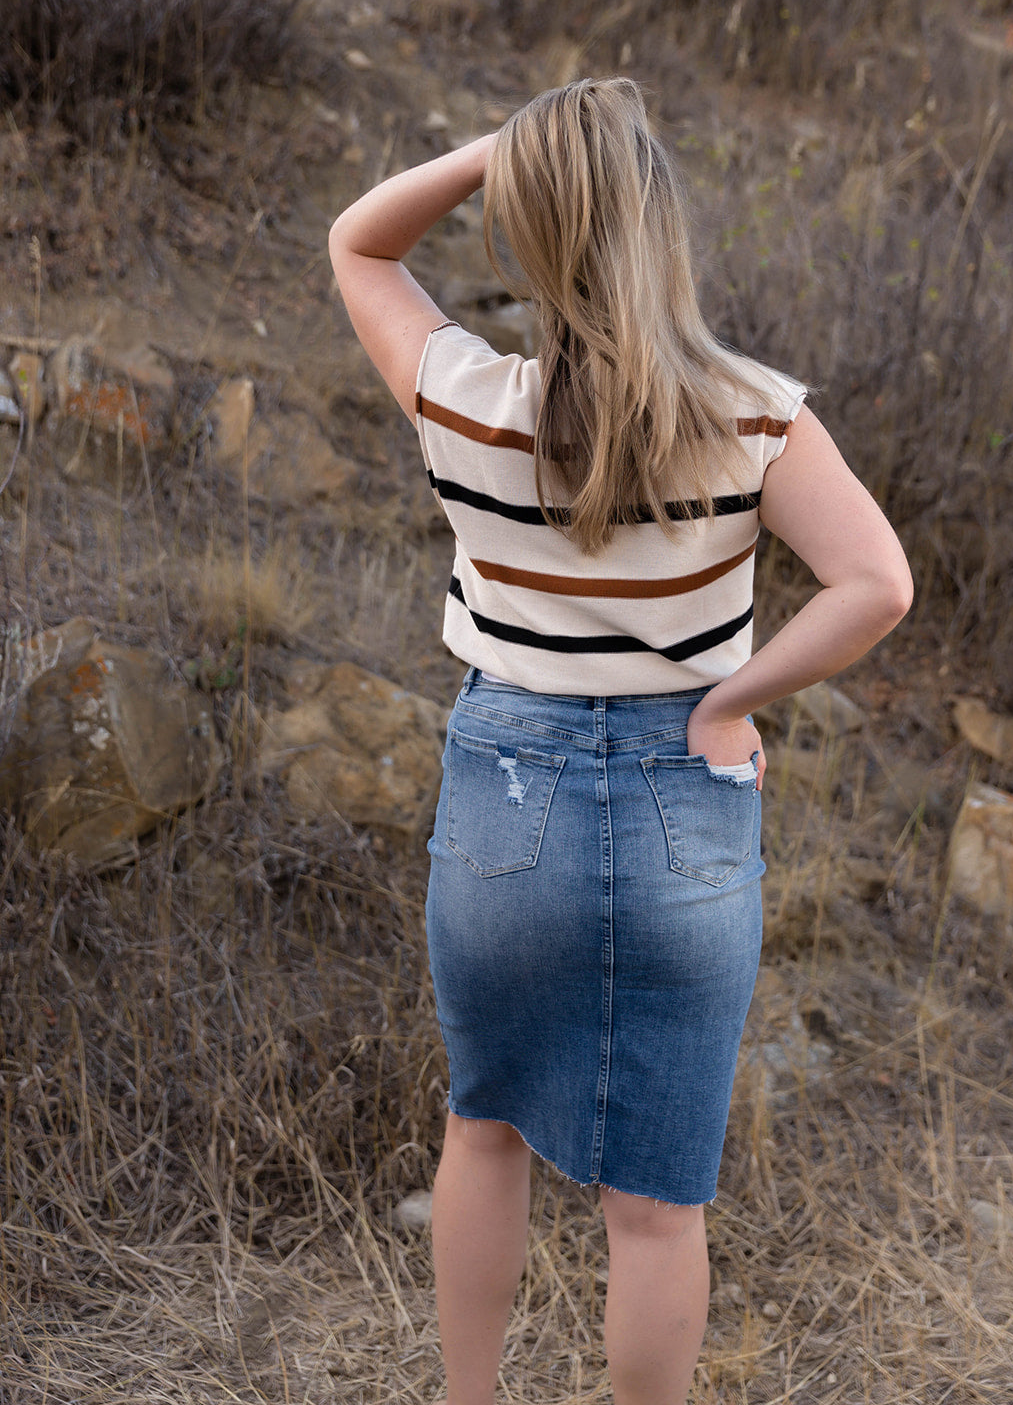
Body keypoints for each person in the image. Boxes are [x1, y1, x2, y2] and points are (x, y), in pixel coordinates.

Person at [329, 78, 912, 1405]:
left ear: (529, 230)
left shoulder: (467, 398)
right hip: (687, 804)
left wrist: (502, 150)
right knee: (655, 1206)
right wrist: (726, 702)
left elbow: (358, 242)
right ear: (659, 226)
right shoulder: (753, 412)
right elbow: (879, 584)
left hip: (505, 790)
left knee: (483, 1134)